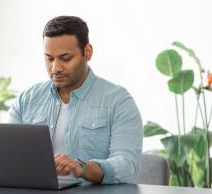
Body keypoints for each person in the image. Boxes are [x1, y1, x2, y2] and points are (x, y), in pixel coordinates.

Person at [8, 16, 143, 184]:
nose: (55, 68)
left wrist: (83, 168)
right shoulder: (26, 100)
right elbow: (8, 155)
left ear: (87, 52)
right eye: (49, 58)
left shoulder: (118, 101)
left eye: (65, 58)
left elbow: (127, 165)